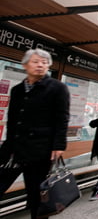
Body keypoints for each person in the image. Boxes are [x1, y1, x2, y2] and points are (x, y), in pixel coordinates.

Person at [0, 49, 70, 219]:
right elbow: (12, 120)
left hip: (40, 152)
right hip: (13, 151)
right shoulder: (17, 90)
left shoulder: (58, 88)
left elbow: (62, 119)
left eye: (45, 62)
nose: (40, 65)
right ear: (25, 65)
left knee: (37, 199)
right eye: (36, 61)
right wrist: (7, 146)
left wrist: (59, 145)